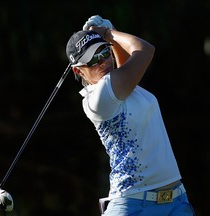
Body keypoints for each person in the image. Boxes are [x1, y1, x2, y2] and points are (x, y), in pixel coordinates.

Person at [65, 15, 195, 216]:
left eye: (104, 52)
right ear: (78, 71)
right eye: (92, 60)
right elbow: (144, 50)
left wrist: (111, 40)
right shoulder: (98, 98)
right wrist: (108, 34)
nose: (102, 61)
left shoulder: (120, 86)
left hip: (176, 202)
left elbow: (125, 63)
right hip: (134, 206)